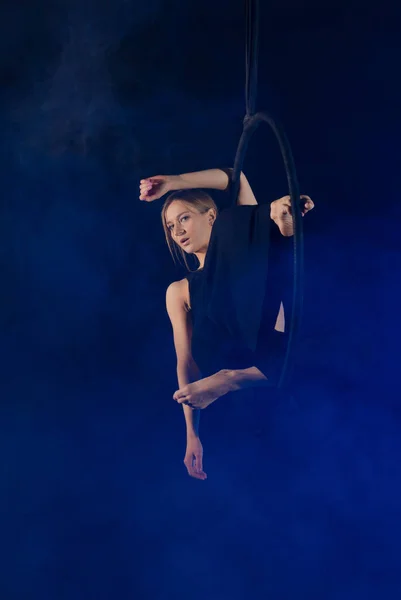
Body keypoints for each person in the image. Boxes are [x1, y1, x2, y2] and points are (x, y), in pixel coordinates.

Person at [139, 168, 314, 480]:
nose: (177, 231)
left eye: (184, 218)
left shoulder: (237, 231)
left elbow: (236, 178)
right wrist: (191, 434)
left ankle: (281, 219)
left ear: (209, 217)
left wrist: (173, 184)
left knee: (249, 225)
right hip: (230, 360)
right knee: (243, 242)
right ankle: (279, 221)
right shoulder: (179, 291)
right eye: (170, 226)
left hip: (276, 344)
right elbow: (186, 363)